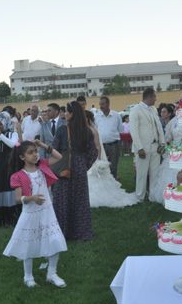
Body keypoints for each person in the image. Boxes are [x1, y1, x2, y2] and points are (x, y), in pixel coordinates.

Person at [5, 140, 68, 288]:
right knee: (28, 243)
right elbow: (17, 198)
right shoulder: (18, 176)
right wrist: (32, 198)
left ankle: (52, 273)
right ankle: (28, 276)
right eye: (31, 152)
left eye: (36, 151)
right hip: (30, 214)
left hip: (47, 212)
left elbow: (58, 157)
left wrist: (43, 145)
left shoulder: (43, 167)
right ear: (22, 157)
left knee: (55, 240)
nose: (35, 154)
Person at [52, 101, 98, 239]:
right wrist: (84, 165)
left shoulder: (61, 130)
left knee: (62, 200)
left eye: (66, 111)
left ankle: (63, 232)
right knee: (80, 201)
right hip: (79, 167)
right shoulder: (87, 131)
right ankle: (81, 232)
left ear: (72, 114)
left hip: (64, 166)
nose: (64, 113)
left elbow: (54, 150)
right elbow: (93, 152)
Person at [85, 111, 138, 208]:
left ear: (87, 119)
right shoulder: (83, 130)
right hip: (86, 156)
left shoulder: (93, 130)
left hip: (93, 157)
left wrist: (98, 159)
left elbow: (98, 146)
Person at [151, 104, 182, 204]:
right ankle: (174, 194)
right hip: (175, 152)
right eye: (178, 109)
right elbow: (168, 138)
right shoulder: (172, 123)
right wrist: (170, 146)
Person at [130, 88, 165, 202]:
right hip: (143, 148)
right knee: (142, 174)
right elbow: (133, 130)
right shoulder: (135, 110)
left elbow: (159, 126)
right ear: (149, 97)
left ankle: (153, 196)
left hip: (155, 147)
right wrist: (139, 148)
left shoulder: (154, 109)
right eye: (154, 97)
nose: (156, 99)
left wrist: (162, 143)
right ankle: (139, 197)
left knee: (155, 173)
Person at [0, 111, 20, 227]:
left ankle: (11, 219)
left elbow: (12, 145)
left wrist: (1, 135)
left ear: (6, 123)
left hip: (10, 166)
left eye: (0, 124)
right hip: (0, 165)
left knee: (9, 189)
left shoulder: (12, 133)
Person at [95, 96, 123, 178]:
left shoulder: (116, 115)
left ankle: (114, 184)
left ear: (108, 104)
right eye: (100, 104)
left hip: (114, 145)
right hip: (102, 146)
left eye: (103, 104)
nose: (101, 106)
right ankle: (105, 185)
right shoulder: (97, 116)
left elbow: (120, 130)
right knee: (102, 166)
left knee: (113, 166)